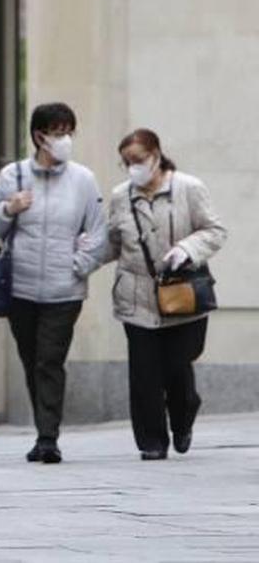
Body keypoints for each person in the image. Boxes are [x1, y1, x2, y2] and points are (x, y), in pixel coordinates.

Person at [0, 103, 107, 464]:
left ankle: (48, 437)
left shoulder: (83, 180)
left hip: (64, 290)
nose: (64, 139)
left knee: (49, 361)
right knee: (31, 360)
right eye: (57, 131)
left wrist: (78, 266)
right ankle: (43, 429)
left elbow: (98, 231)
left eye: (69, 131)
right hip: (20, 287)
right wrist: (9, 209)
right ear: (39, 135)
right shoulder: (13, 176)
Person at [105, 129, 226, 461]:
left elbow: (214, 231)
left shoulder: (189, 188)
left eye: (139, 160)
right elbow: (113, 243)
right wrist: (79, 259)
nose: (133, 168)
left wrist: (187, 249)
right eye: (127, 162)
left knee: (177, 366)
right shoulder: (120, 196)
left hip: (183, 294)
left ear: (156, 155)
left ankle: (184, 415)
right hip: (136, 296)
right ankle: (152, 441)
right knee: (144, 374)